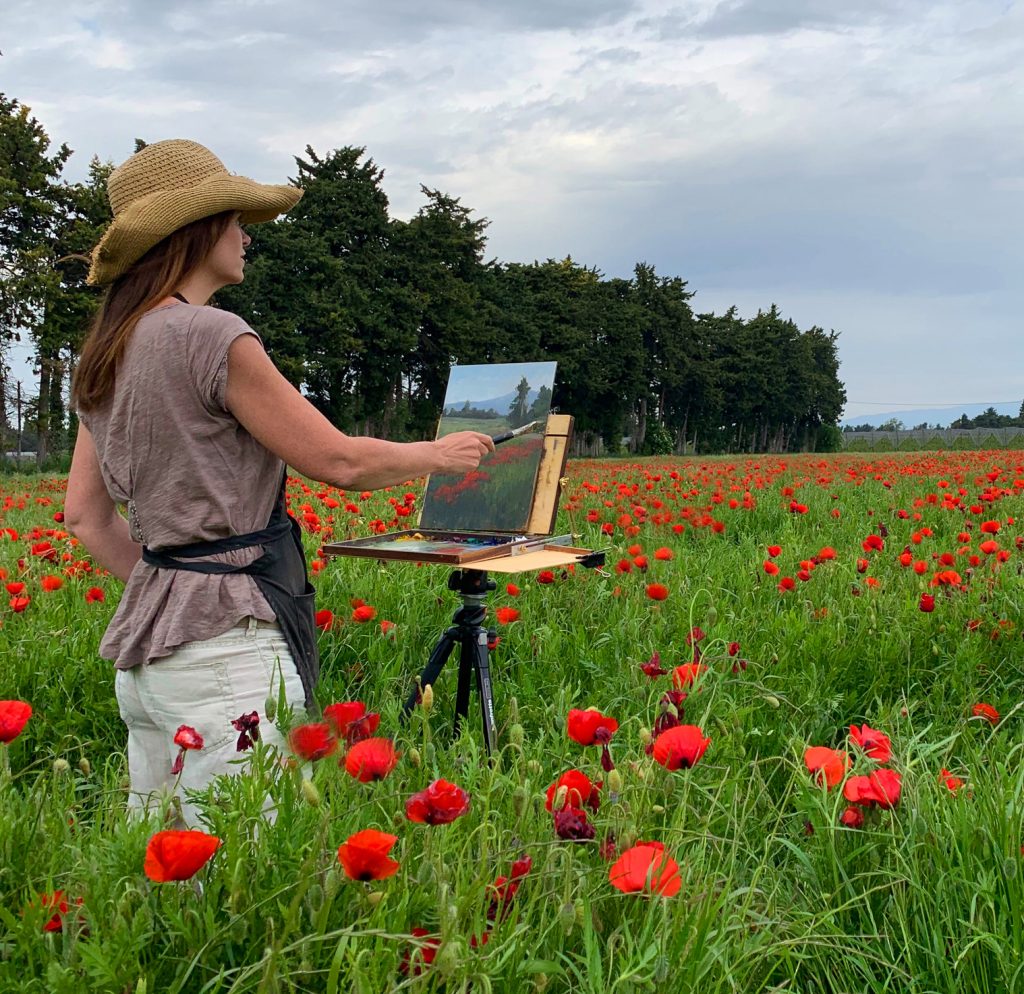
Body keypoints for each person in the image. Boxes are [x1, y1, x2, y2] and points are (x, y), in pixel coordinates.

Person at [64, 139, 493, 825]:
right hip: (223, 663)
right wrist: (436, 455)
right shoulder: (212, 334)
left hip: (147, 662)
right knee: (242, 872)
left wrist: (175, 585)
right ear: (193, 230)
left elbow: (85, 517)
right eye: (234, 218)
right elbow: (339, 462)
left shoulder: (106, 350)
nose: (244, 236)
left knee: (165, 875)